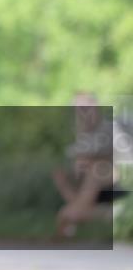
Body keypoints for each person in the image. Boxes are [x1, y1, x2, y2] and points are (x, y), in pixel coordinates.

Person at [52, 92, 131, 238]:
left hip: (114, 186)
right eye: (79, 109)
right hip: (95, 194)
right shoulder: (81, 136)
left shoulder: (109, 129)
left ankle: (112, 214)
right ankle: (108, 214)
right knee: (69, 206)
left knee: (96, 170)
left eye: (87, 108)